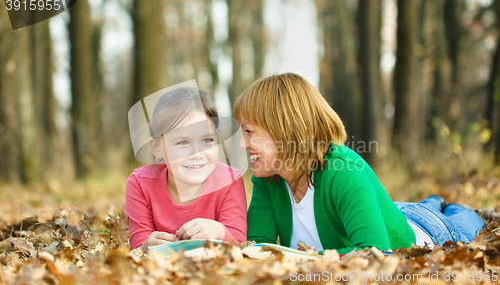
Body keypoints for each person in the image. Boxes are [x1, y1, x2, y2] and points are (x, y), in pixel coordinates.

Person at [233, 72, 484, 255]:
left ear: (283, 130)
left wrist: (303, 261)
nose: (243, 145)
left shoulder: (343, 171)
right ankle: (433, 201)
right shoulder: (267, 178)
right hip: (394, 211)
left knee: (466, 220)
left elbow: (374, 253)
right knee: (420, 206)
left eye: (249, 132)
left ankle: (452, 207)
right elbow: (258, 249)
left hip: (427, 232)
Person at [126, 87, 247, 252]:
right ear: (156, 147)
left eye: (207, 140)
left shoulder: (230, 181)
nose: (197, 153)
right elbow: (139, 247)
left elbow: (240, 244)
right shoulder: (140, 183)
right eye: (183, 142)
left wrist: (219, 232)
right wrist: (146, 247)